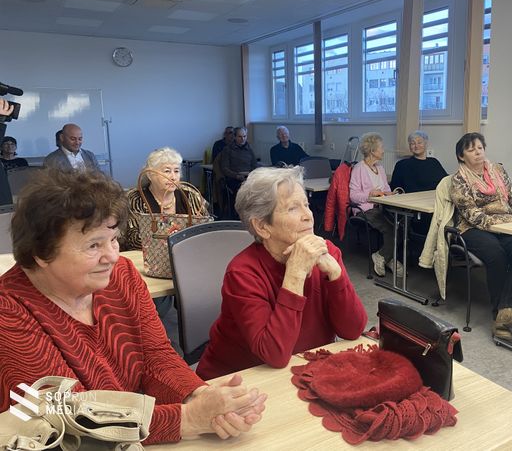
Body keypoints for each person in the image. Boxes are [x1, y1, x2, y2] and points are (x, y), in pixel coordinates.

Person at [0, 169, 267, 445]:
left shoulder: (122, 276)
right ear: (42, 253)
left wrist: (199, 396)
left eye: (114, 239)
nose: (112, 256)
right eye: (94, 245)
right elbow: (65, 418)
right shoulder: (8, 311)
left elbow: (155, 357)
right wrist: (187, 418)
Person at [196, 166, 367, 379]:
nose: (308, 215)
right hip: (237, 381)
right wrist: (295, 273)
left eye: (306, 204)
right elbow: (274, 354)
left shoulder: (327, 252)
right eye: (293, 208)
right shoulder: (243, 272)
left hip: (303, 372)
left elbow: (353, 330)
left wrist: (336, 275)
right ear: (262, 226)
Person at [450, 132, 512, 340]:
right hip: (473, 228)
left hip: (507, 226)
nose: (478, 152)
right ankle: (499, 313)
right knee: (496, 254)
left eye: (480, 148)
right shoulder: (459, 179)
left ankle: (505, 310)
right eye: (471, 150)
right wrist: (499, 226)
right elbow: (471, 214)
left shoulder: (498, 171)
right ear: (461, 156)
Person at [121, 147, 209, 251]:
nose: (173, 177)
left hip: (188, 253)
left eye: (176, 171)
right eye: (167, 171)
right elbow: (133, 240)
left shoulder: (190, 195)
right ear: (150, 175)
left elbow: (206, 229)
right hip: (148, 256)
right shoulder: (136, 199)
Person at [349, 133, 403, 278]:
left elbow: (385, 188)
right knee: (390, 228)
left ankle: (385, 257)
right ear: (372, 150)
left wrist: (390, 193)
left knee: (401, 225)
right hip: (366, 210)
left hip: (382, 207)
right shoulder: (359, 169)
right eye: (381, 147)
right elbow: (353, 196)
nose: (383, 150)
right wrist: (370, 194)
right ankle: (384, 257)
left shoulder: (380, 168)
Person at [390, 130, 448, 234]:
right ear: (409, 146)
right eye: (412, 143)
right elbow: (395, 189)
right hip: (415, 207)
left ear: (426, 144)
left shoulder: (434, 162)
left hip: (434, 203)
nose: (416, 146)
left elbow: (445, 182)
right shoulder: (402, 165)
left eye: (419, 142)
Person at [220, 127, 257, 192]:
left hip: (249, 177)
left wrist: (251, 174)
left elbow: (254, 165)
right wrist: (236, 176)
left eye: (244, 136)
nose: (243, 139)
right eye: (240, 137)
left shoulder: (249, 149)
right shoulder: (227, 149)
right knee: (243, 189)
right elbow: (225, 168)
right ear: (235, 137)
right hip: (234, 178)